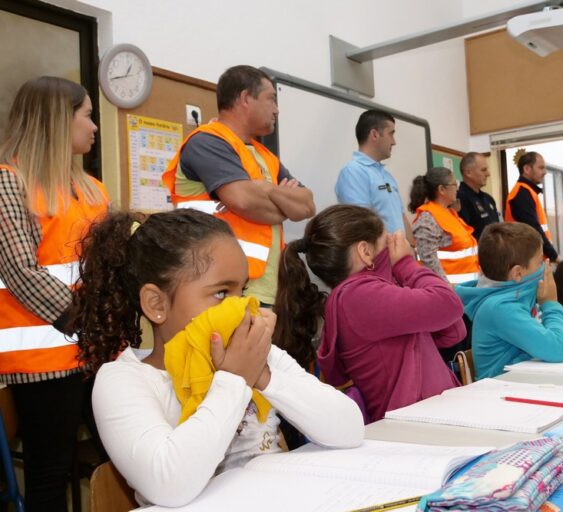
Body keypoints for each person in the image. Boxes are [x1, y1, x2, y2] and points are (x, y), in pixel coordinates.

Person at [69, 208, 363, 507]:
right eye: (221, 294)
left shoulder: (255, 355)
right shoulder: (124, 381)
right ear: (157, 303)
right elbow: (170, 485)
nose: (241, 308)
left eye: (243, 291)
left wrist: (263, 375)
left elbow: (348, 429)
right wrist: (235, 379)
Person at [0, 76, 109, 511]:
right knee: (51, 470)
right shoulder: (9, 183)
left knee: (117, 455)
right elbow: (19, 270)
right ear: (58, 121)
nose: (94, 126)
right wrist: (93, 320)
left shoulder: (92, 188)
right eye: (86, 114)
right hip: (41, 361)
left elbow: (109, 263)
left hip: (96, 350)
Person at [275, 205, 465, 423]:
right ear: (365, 252)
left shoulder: (372, 292)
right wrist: (406, 264)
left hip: (425, 416)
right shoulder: (357, 296)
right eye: (388, 241)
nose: (396, 246)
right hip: (411, 426)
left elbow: (453, 331)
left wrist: (404, 276)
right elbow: (449, 304)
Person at [162, 65, 315, 307]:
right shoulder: (207, 142)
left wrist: (265, 189)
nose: (276, 110)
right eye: (271, 100)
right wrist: (281, 198)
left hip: (264, 289)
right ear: (245, 98)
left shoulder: (264, 155)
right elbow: (242, 200)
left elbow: (306, 205)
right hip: (220, 287)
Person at [456, 223, 563, 379]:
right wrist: (551, 304)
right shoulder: (500, 308)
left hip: (524, 385)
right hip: (499, 395)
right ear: (518, 273)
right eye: (540, 262)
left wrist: (549, 304)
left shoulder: (523, 297)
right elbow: (559, 350)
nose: (545, 267)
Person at [335, 109, 414, 244]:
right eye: (391, 134)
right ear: (375, 134)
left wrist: (412, 249)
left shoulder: (386, 175)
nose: (394, 142)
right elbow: (363, 224)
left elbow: (400, 216)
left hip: (400, 258)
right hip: (379, 260)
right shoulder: (353, 172)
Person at [409, 167, 480, 284]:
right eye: (454, 184)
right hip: (451, 292)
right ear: (441, 189)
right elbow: (428, 261)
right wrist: (447, 289)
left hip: (467, 289)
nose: (457, 188)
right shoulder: (427, 219)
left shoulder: (451, 213)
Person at [504, 151, 558, 261]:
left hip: (534, 260)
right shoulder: (521, 193)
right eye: (541, 168)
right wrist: (554, 256)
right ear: (527, 169)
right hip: (527, 262)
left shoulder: (528, 191)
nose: (545, 172)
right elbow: (533, 230)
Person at [456, 152, 499, 240]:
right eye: (483, 170)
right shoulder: (459, 198)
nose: (488, 174)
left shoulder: (488, 199)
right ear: (468, 173)